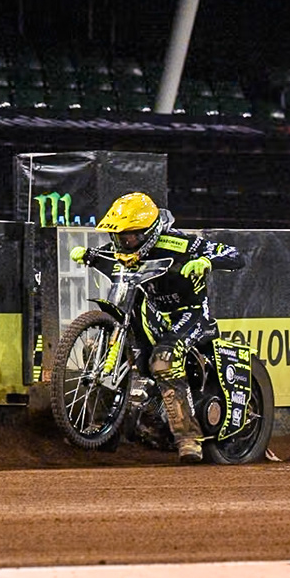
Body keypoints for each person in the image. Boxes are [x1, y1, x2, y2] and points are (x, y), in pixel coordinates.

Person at [70, 193, 245, 463]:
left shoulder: (180, 243)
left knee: (164, 360)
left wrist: (206, 261)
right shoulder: (125, 250)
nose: (123, 243)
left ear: (148, 233)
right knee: (97, 348)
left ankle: (189, 439)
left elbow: (234, 254)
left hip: (190, 315)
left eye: (129, 237)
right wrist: (88, 255)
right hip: (153, 315)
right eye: (119, 238)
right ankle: (107, 427)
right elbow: (104, 254)